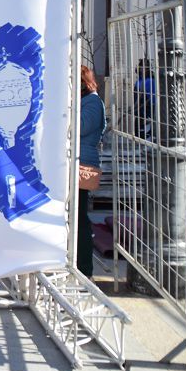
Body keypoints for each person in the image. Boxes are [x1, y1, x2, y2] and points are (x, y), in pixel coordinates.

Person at [78, 66, 106, 279]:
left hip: (82, 166)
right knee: (76, 216)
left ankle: (84, 269)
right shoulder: (87, 102)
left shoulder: (93, 103)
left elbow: (80, 126)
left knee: (79, 218)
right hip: (77, 163)